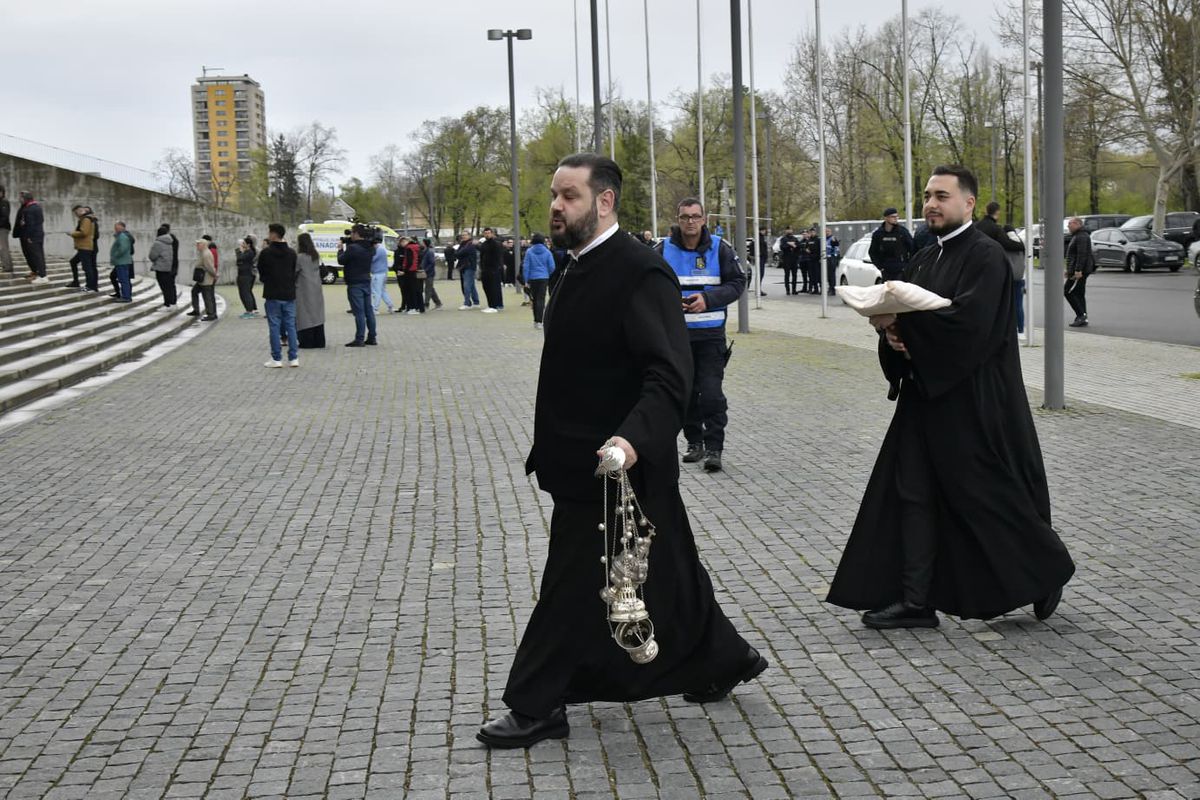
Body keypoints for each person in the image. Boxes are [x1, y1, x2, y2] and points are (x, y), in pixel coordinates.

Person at [477, 153, 767, 750]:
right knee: (674, 567)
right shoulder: (577, 266)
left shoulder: (639, 271)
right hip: (585, 462)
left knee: (568, 582)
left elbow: (669, 372)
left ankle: (536, 703)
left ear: (604, 201)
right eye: (554, 195)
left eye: (569, 196)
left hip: (618, 467)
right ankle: (722, 657)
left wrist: (631, 439)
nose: (556, 206)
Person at [826, 165, 1075, 630]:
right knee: (912, 493)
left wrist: (910, 333)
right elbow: (906, 316)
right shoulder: (924, 257)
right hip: (924, 397)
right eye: (926, 196)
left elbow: (969, 328)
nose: (930, 204)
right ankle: (917, 599)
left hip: (974, 401)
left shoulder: (986, 257)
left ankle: (1045, 569)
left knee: (983, 498)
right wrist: (893, 336)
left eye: (941, 196)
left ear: (968, 203)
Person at [655, 198, 745, 472]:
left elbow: (738, 282)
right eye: (685, 217)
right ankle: (695, 442)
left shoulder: (721, 249)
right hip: (677, 338)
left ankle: (714, 447)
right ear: (678, 219)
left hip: (710, 337)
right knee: (686, 393)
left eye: (695, 216)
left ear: (704, 219)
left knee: (712, 394)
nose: (690, 222)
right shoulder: (662, 249)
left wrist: (708, 299)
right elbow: (646, 284)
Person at [975, 201, 1028, 332]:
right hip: (992, 269)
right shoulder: (996, 229)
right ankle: (1013, 329)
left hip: (975, 267)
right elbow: (1008, 244)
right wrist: (1022, 246)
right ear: (997, 212)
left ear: (986, 211)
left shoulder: (976, 227)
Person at [257, 223, 300, 368]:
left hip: (272, 293)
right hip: (289, 293)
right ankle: (294, 357)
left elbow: (261, 273)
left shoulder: (266, 253)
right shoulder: (292, 253)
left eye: (270, 233)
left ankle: (276, 358)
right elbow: (294, 271)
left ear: (274, 234)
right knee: (291, 326)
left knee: (274, 326)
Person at [338, 224, 377, 347]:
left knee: (359, 312)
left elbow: (341, 260)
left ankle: (359, 338)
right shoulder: (371, 248)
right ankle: (372, 337)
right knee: (368, 311)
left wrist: (340, 249)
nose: (351, 235)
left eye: (352, 233)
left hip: (355, 282)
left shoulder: (353, 248)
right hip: (366, 280)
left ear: (356, 234)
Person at [295, 232, 326, 348]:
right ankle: (319, 340)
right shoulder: (315, 255)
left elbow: (294, 272)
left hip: (303, 289)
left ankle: (307, 341)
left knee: (305, 315)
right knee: (317, 315)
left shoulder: (300, 258)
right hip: (316, 287)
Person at [868, 207, 914, 281]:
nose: (896, 218)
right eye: (893, 217)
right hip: (886, 272)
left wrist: (907, 266)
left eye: (897, 216)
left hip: (901, 271)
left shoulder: (902, 232)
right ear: (886, 218)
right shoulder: (878, 234)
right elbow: (872, 252)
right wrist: (881, 267)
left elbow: (913, 249)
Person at [521, 232, 556, 329]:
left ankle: (535, 320)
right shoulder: (547, 252)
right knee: (541, 299)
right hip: (544, 278)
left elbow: (526, 266)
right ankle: (540, 321)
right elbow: (552, 266)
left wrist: (526, 280)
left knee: (534, 299)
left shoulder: (529, 251)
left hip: (532, 278)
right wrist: (547, 273)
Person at [1064, 217, 1094, 328]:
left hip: (1080, 271)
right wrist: (1069, 270)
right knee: (1079, 293)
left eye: (1070, 224)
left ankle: (1081, 315)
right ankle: (1083, 317)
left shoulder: (1081, 236)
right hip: (1076, 270)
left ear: (1077, 224)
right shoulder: (1078, 236)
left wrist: (1077, 270)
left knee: (1068, 291)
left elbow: (1082, 254)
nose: (1068, 226)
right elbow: (1073, 255)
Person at [13, 191, 47, 283]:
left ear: (25, 199)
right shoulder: (37, 207)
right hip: (37, 234)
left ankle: (42, 276)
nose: (19, 199)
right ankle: (38, 273)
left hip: (32, 236)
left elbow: (30, 224)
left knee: (36, 255)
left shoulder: (29, 209)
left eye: (21, 198)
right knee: (35, 255)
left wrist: (28, 236)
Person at [68, 205, 99, 291]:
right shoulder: (87, 219)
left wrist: (72, 233)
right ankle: (80, 283)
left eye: (76, 212)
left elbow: (84, 232)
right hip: (85, 246)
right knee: (75, 262)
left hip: (85, 246)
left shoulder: (86, 219)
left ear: (79, 211)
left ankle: (90, 286)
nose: (76, 215)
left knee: (87, 267)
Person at [187, 239, 218, 320]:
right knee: (195, 292)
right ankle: (197, 310)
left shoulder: (206, 254)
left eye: (198, 244)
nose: (197, 246)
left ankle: (211, 314)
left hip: (206, 279)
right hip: (202, 279)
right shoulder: (203, 253)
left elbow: (209, 267)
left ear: (204, 245)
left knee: (207, 296)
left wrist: (215, 275)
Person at [147, 224, 177, 307]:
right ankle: (172, 303)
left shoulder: (158, 243)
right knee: (169, 286)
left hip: (160, 267)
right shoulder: (170, 241)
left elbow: (152, 256)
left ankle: (167, 304)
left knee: (164, 287)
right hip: (168, 267)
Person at [478, 227, 505, 313]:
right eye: (485, 233)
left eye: (489, 233)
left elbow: (498, 257)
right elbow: (482, 257)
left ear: (492, 234)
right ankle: (491, 304)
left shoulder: (496, 244)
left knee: (494, 287)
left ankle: (495, 305)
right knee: (487, 287)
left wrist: (497, 267)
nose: (487, 234)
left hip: (493, 269)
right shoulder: (484, 244)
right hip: (485, 269)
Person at [234, 236, 260, 318]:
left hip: (246, 275)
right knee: (244, 292)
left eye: (244, 243)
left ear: (248, 244)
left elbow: (240, 258)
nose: (242, 245)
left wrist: (240, 251)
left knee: (246, 292)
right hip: (242, 274)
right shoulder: (247, 252)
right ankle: (250, 309)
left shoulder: (250, 252)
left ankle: (250, 310)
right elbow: (239, 261)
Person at [109, 222, 135, 302]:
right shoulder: (122, 236)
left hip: (122, 261)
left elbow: (122, 249)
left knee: (123, 279)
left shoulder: (122, 237)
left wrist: (115, 255)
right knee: (124, 279)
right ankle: (125, 295)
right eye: (115, 227)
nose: (116, 229)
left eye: (117, 227)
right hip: (123, 261)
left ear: (122, 227)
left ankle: (126, 297)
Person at [371, 235, 396, 314]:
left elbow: (371, 259)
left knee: (376, 291)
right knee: (382, 291)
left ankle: (375, 308)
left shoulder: (377, 251)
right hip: (384, 272)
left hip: (378, 273)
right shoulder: (382, 250)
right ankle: (390, 306)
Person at [400, 236, 424, 315]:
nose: (402, 244)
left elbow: (409, 261)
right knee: (417, 289)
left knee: (411, 290)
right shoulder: (417, 247)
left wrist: (405, 270)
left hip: (410, 271)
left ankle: (413, 307)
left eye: (403, 242)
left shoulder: (409, 248)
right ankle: (420, 307)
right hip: (415, 270)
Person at [456, 232, 480, 309]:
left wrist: (459, 253)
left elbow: (460, 253)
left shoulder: (470, 244)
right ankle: (476, 302)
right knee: (471, 285)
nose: (463, 236)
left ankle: (467, 303)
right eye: (462, 235)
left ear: (469, 236)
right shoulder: (463, 244)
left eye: (465, 235)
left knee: (467, 285)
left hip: (469, 266)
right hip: (463, 266)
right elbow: (457, 253)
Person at [777, 225, 800, 295]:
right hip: (786, 258)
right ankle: (787, 290)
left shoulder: (795, 238)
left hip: (794, 259)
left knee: (794, 275)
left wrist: (794, 245)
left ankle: (794, 289)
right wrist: (789, 244)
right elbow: (782, 247)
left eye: (790, 229)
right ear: (785, 231)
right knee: (787, 275)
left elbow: (798, 246)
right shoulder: (783, 239)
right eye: (788, 229)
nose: (789, 231)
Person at [421, 238, 442, 310]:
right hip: (425, 272)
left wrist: (425, 270)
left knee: (428, 289)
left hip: (429, 273)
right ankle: (438, 303)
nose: (421, 244)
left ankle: (426, 304)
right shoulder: (425, 251)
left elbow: (432, 263)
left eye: (422, 242)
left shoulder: (429, 252)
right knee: (430, 288)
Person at [801, 228, 822, 294]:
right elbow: (806, 247)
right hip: (810, 259)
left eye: (813, 232)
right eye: (811, 232)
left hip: (816, 259)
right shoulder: (809, 240)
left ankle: (821, 289)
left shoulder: (818, 239)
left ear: (815, 232)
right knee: (812, 275)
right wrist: (807, 250)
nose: (812, 233)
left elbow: (820, 249)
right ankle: (815, 289)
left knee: (818, 275)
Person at [824, 227, 840, 296]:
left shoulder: (833, 238)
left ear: (831, 232)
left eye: (828, 231)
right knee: (827, 275)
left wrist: (835, 241)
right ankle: (830, 287)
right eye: (826, 231)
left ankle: (832, 289)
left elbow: (836, 244)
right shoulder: (825, 239)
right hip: (826, 258)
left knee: (831, 275)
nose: (827, 233)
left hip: (832, 258)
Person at [0, 186, 12, 273]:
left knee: (3, 248)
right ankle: (5, 265)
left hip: (3, 228)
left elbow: (4, 217)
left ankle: (7, 267)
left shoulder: (4, 202)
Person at [757, 227, 770, 296]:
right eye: (764, 230)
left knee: (760, 274)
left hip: (761, 257)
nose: (765, 232)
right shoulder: (759, 237)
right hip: (760, 258)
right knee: (760, 274)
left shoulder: (761, 237)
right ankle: (758, 290)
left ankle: (758, 289)